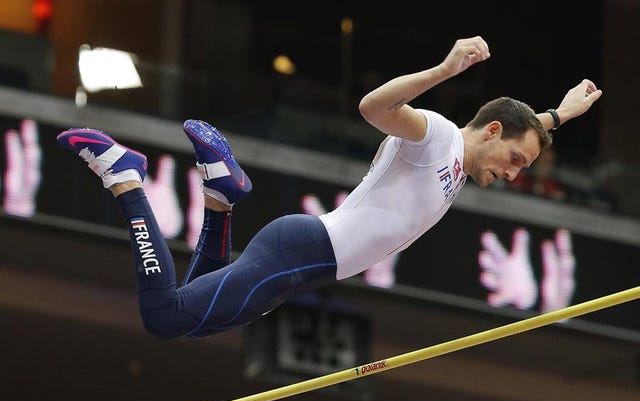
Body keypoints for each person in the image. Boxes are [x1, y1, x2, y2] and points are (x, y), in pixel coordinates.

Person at [56, 36, 602, 339]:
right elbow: (373, 107)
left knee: (191, 322)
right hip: (303, 250)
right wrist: (441, 70)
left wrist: (559, 115)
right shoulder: (436, 137)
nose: (512, 174)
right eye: (513, 160)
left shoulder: (467, 158)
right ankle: (125, 177)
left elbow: (527, 131)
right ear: (491, 130)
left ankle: (221, 197)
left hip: (304, 263)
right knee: (163, 316)